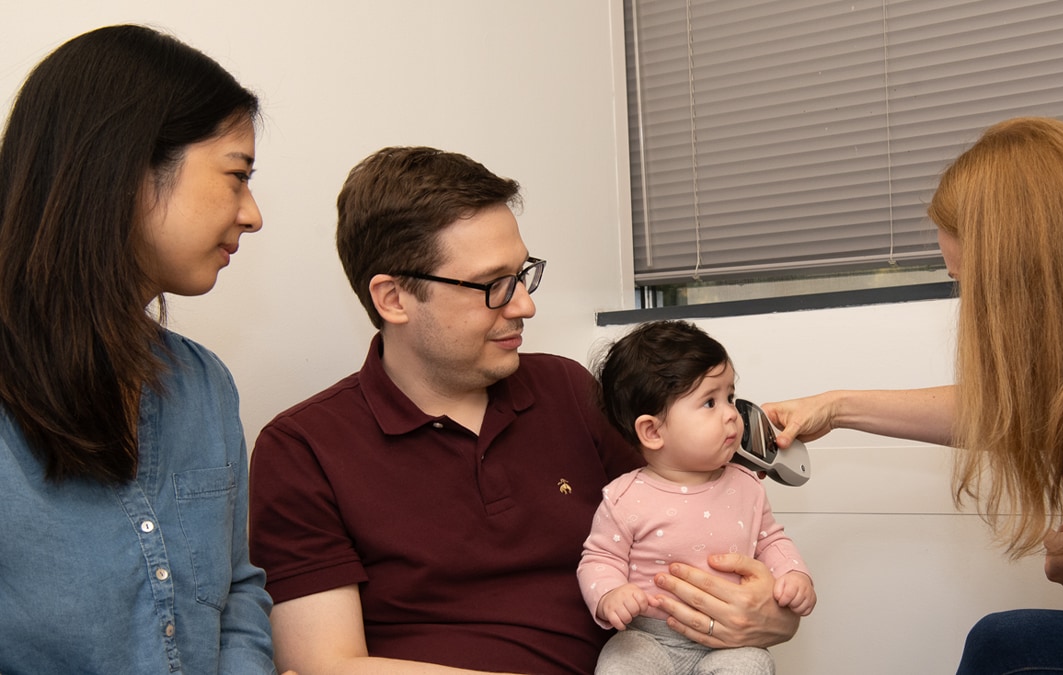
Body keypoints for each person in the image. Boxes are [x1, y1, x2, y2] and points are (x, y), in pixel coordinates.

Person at [248, 146, 802, 674]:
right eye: (493, 286)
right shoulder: (303, 449)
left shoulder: (566, 389)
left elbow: (692, 520)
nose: (525, 305)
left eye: (523, 274)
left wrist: (767, 615)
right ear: (393, 299)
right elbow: (324, 665)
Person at [763, 117, 1063, 674]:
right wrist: (839, 406)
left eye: (971, 285)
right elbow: (1026, 408)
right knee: (1004, 640)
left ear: (1024, 279)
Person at [0, 25, 279, 673]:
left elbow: (237, 590)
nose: (253, 213)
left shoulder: (206, 386)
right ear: (125, 167)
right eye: (237, 176)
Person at [579, 320, 815, 674]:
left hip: (729, 640)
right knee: (619, 666)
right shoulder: (624, 496)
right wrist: (609, 595)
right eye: (709, 402)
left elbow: (770, 539)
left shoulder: (747, 484)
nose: (732, 414)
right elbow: (598, 557)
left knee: (753, 664)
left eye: (730, 396)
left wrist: (795, 575)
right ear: (653, 431)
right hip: (648, 637)